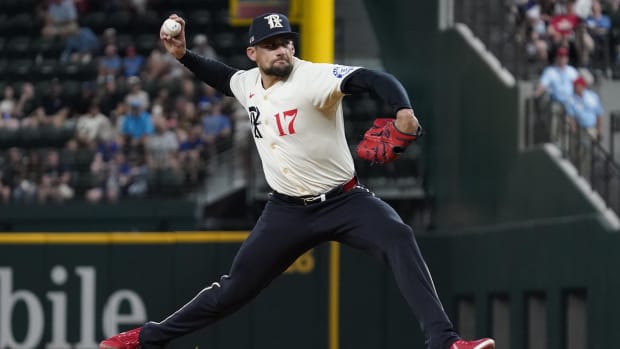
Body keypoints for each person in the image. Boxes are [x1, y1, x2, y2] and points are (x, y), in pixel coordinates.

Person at [99, 13, 495, 349]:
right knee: (233, 290)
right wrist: (184, 55)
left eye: (286, 42)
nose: (282, 50)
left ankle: (447, 343)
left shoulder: (313, 78)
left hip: (345, 201)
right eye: (271, 45)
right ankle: (146, 340)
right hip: (286, 210)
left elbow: (374, 79)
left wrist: (402, 111)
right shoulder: (249, 84)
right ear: (253, 54)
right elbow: (221, 77)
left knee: (399, 237)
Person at [565, 75, 604, 140]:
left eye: (577, 85)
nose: (576, 87)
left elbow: (599, 113)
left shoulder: (592, 96)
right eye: (575, 86)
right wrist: (573, 128)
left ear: (583, 86)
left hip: (591, 127)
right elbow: (571, 116)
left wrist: (599, 130)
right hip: (579, 129)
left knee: (590, 147)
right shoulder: (571, 99)